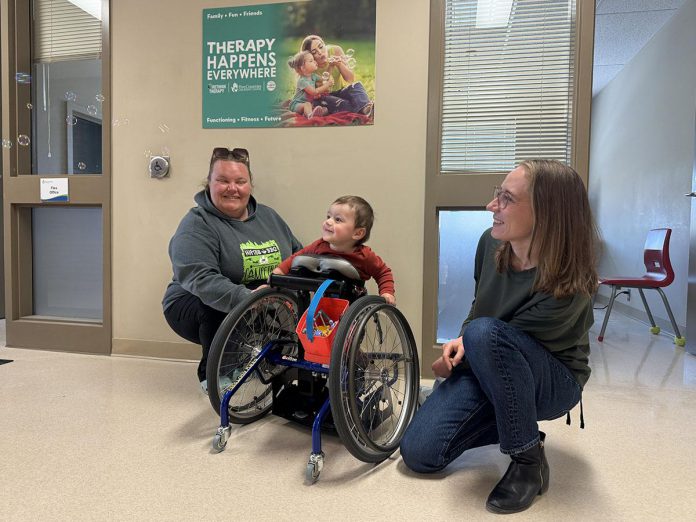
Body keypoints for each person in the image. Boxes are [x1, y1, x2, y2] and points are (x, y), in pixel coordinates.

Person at [400, 159, 598, 514]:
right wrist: (459, 342)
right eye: (497, 195)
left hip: (551, 380)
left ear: (547, 214)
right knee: (419, 454)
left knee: (484, 335)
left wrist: (466, 349)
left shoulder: (572, 283)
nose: (492, 206)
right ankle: (513, 423)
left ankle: (527, 461)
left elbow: (497, 338)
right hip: (492, 362)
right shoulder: (488, 247)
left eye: (507, 199)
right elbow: (481, 309)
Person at [162, 147, 302, 393]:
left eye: (240, 181)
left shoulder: (269, 217)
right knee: (214, 303)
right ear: (209, 184)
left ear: (250, 185)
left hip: (258, 301)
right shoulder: (197, 224)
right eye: (223, 180)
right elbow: (201, 279)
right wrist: (250, 300)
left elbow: (296, 257)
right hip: (194, 304)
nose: (232, 188)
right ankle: (215, 376)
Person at [273, 195, 395, 305]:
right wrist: (280, 270)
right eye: (328, 216)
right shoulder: (319, 245)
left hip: (351, 305)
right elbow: (296, 257)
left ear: (358, 233)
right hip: (321, 300)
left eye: (338, 219)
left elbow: (383, 272)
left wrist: (387, 292)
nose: (328, 222)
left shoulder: (364, 256)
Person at [300, 35, 374, 117]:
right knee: (341, 103)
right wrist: (330, 67)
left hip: (341, 91)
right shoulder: (310, 67)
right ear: (310, 57)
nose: (320, 52)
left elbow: (350, 79)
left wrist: (339, 64)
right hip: (324, 96)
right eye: (314, 52)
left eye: (321, 47)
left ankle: (367, 110)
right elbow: (324, 89)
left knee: (356, 86)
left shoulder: (335, 50)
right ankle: (363, 108)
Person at [287, 51, 333, 119]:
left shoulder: (313, 76)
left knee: (325, 109)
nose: (315, 62)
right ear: (303, 68)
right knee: (307, 105)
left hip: (309, 104)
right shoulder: (302, 81)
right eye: (311, 61)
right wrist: (327, 85)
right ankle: (310, 116)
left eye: (313, 60)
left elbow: (325, 78)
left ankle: (314, 114)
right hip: (297, 105)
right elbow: (314, 92)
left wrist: (331, 66)